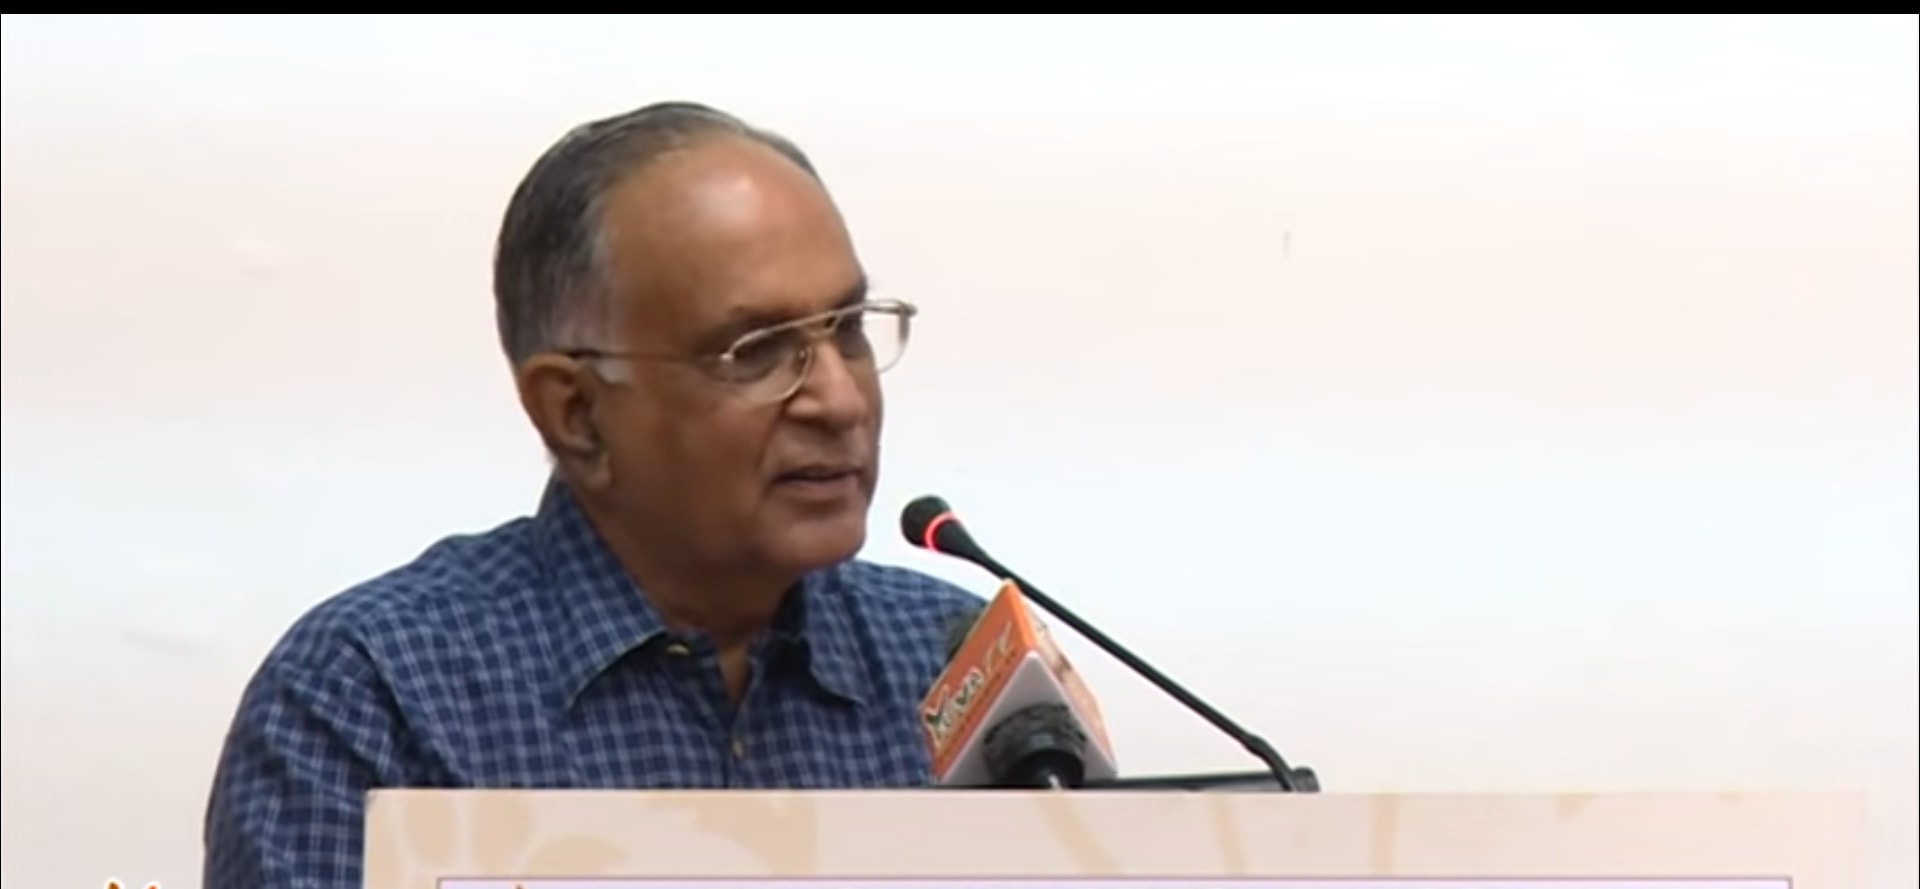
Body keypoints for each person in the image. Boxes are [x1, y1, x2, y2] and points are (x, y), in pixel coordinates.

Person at [201, 101, 983, 888]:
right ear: (576, 412)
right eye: (757, 352)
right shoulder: (377, 693)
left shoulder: (951, 660)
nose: (841, 401)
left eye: (847, 328)